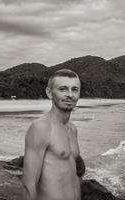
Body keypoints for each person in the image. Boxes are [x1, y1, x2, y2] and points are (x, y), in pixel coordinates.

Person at [22, 69, 82, 200]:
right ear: (49, 93)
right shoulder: (41, 128)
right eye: (63, 89)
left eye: (75, 89)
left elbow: (73, 175)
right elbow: (29, 185)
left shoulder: (72, 129)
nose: (70, 95)